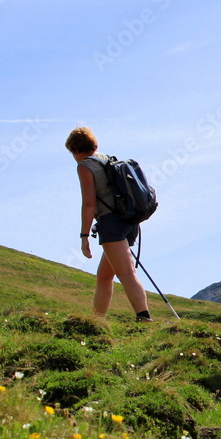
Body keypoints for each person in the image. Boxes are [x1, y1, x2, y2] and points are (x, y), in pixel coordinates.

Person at [64, 126, 152, 321]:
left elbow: (89, 203)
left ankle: (144, 317)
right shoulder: (107, 159)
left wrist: (84, 236)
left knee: (126, 273)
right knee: (104, 277)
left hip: (111, 223)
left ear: (75, 150)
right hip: (129, 220)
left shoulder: (85, 166)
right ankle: (97, 320)